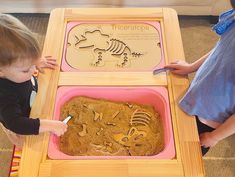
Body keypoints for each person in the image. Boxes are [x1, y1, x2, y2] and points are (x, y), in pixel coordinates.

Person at [165, 0, 235, 155]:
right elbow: (221, 49)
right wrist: (191, 67)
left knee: (186, 155)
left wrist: (214, 137)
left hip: (208, 118)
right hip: (198, 95)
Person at [0, 14, 67, 148]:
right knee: (29, 148)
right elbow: (16, 124)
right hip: (23, 125)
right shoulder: (4, 96)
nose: (32, 71)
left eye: (32, 64)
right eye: (26, 69)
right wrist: (48, 125)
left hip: (32, 102)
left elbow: (25, 61)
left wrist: (35, 61)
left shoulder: (13, 68)